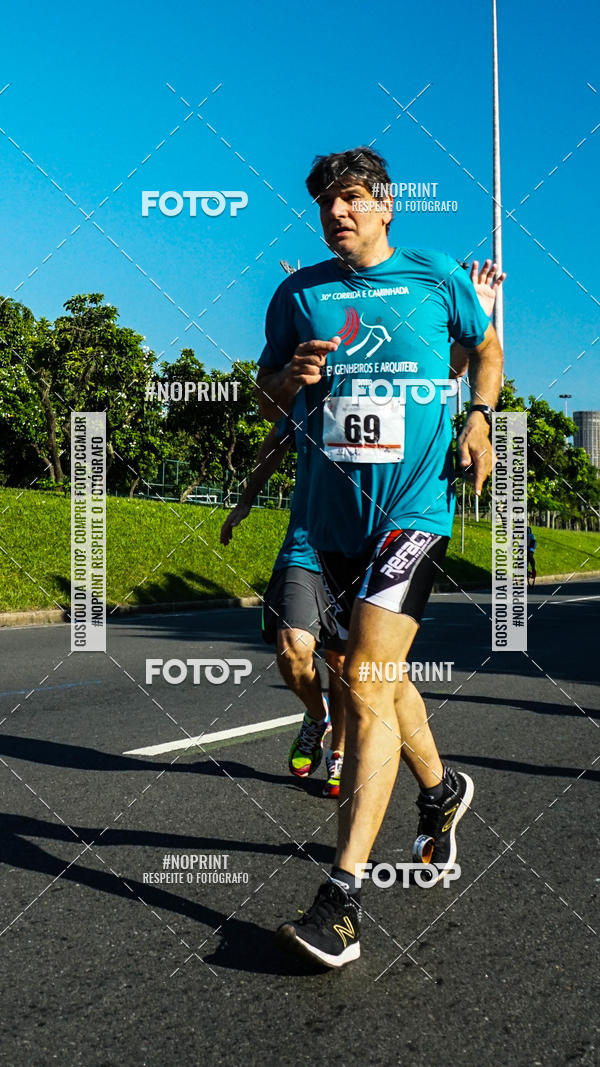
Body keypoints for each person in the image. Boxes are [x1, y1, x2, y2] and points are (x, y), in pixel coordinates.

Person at [255, 146, 504, 968]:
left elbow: (488, 348)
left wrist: (479, 414)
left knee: (365, 679)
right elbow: (268, 387)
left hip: (411, 515)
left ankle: (344, 898)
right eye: (328, 201)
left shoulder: (436, 278)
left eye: (353, 198)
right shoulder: (299, 294)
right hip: (322, 522)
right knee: (330, 661)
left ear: (386, 205)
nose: (338, 212)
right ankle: (440, 790)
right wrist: (290, 377)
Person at [220, 403, 347, 797]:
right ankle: (315, 714)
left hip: (362, 552)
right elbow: (273, 445)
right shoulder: (311, 398)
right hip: (305, 549)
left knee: (343, 663)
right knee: (292, 650)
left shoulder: (391, 387)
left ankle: (340, 753)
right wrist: (245, 500)